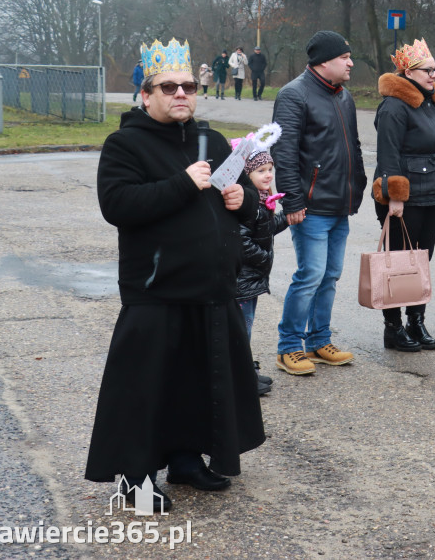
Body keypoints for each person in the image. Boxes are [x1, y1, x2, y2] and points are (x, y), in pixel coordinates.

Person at [86, 38, 265, 510]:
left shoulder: (213, 140)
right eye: (169, 87)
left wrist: (242, 200)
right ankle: (135, 483)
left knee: (198, 382)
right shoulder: (125, 144)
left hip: (211, 290)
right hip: (156, 291)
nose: (182, 93)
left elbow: (249, 199)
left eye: (188, 85)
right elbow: (118, 205)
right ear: (147, 95)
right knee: (147, 390)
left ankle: (187, 461)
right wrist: (182, 184)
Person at [271, 30, 366, 375]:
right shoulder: (293, 95)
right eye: (344, 57)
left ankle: (319, 340)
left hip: (340, 204)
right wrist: (293, 201)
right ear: (324, 61)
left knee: (330, 275)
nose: (350, 62)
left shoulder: (344, 96)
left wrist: (358, 186)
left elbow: (352, 146)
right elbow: (284, 153)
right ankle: (289, 347)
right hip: (310, 207)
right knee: (310, 275)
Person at [372, 38, 435, 352]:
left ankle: (416, 320)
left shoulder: (434, 103)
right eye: (427, 70)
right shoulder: (394, 106)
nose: (434, 75)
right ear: (408, 72)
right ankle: (393, 327)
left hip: (431, 193)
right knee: (398, 263)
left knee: (421, 260)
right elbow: (388, 154)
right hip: (403, 198)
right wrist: (394, 196)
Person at [234, 124, 289, 394]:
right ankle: (241, 378)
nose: (268, 175)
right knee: (241, 329)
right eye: (260, 171)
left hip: (251, 279)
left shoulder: (263, 200)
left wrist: (285, 218)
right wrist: (264, 259)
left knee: (247, 326)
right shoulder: (248, 201)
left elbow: (264, 229)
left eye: (270, 169)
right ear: (247, 174)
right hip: (242, 279)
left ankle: (245, 371)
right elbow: (241, 241)